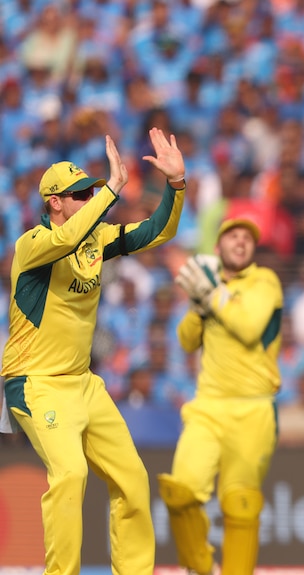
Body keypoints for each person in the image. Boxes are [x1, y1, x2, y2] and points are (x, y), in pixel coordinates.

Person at [0, 128, 186, 574]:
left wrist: (177, 186)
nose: (89, 197)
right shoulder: (32, 245)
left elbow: (158, 232)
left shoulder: (95, 241)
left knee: (133, 479)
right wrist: (113, 188)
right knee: (71, 475)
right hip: (35, 383)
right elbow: (65, 240)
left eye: (91, 190)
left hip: (83, 384)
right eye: (79, 193)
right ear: (54, 203)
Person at [159, 217, 284, 575]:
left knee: (240, 504)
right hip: (208, 407)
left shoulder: (264, 281)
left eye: (247, 237)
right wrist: (199, 306)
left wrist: (211, 296)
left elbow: (248, 329)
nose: (241, 242)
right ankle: (200, 567)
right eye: (233, 236)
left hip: (254, 409)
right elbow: (186, 340)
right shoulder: (209, 286)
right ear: (218, 247)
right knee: (179, 491)